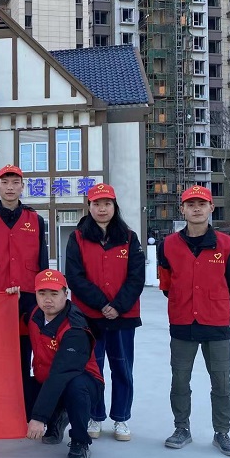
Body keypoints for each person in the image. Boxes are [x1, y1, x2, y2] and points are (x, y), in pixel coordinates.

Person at [157, 185, 230, 457]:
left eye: (201, 204)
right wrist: (184, 302)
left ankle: (222, 432)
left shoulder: (226, 244)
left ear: (211, 208)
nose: (196, 209)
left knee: (221, 382)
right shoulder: (168, 245)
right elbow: (166, 283)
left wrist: (215, 306)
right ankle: (181, 428)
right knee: (180, 380)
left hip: (216, 323)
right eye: (190, 204)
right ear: (182, 209)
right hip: (182, 322)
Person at [65, 183, 145, 442]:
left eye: (107, 204)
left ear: (114, 206)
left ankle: (121, 418)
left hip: (123, 317)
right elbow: (75, 277)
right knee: (92, 368)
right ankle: (95, 416)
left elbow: (136, 276)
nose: (102, 209)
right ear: (89, 207)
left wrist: (118, 306)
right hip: (89, 317)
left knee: (122, 368)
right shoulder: (78, 238)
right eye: (97, 204)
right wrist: (102, 304)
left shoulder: (129, 238)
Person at [0, 164, 49, 416]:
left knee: (26, 352)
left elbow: (43, 262)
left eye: (15, 183)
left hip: (28, 299)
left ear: (22, 187)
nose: (10, 187)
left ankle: (22, 408)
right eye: (5, 182)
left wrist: (44, 296)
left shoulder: (35, 220)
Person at [8, 269, 105, 458]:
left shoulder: (75, 328)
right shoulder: (35, 314)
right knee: (18, 388)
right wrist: (11, 302)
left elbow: (61, 374)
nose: (47, 300)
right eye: (42, 293)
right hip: (47, 380)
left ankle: (80, 442)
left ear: (65, 294)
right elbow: (11, 324)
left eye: (54, 293)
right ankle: (57, 419)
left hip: (83, 384)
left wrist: (38, 417)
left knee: (75, 387)